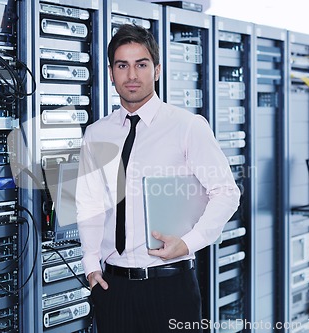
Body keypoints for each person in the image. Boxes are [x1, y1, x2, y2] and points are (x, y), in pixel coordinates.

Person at [76, 24, 241, 333]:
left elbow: (226, 192)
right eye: (122, 66)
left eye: (141, 64)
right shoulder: (97, 133)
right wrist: (90, 264)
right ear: (111, 73)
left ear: (157, 70)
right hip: (113, 288)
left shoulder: (187, 126)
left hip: (170, 287)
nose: (132, 75)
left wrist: (189, 243)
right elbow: (89, 202)